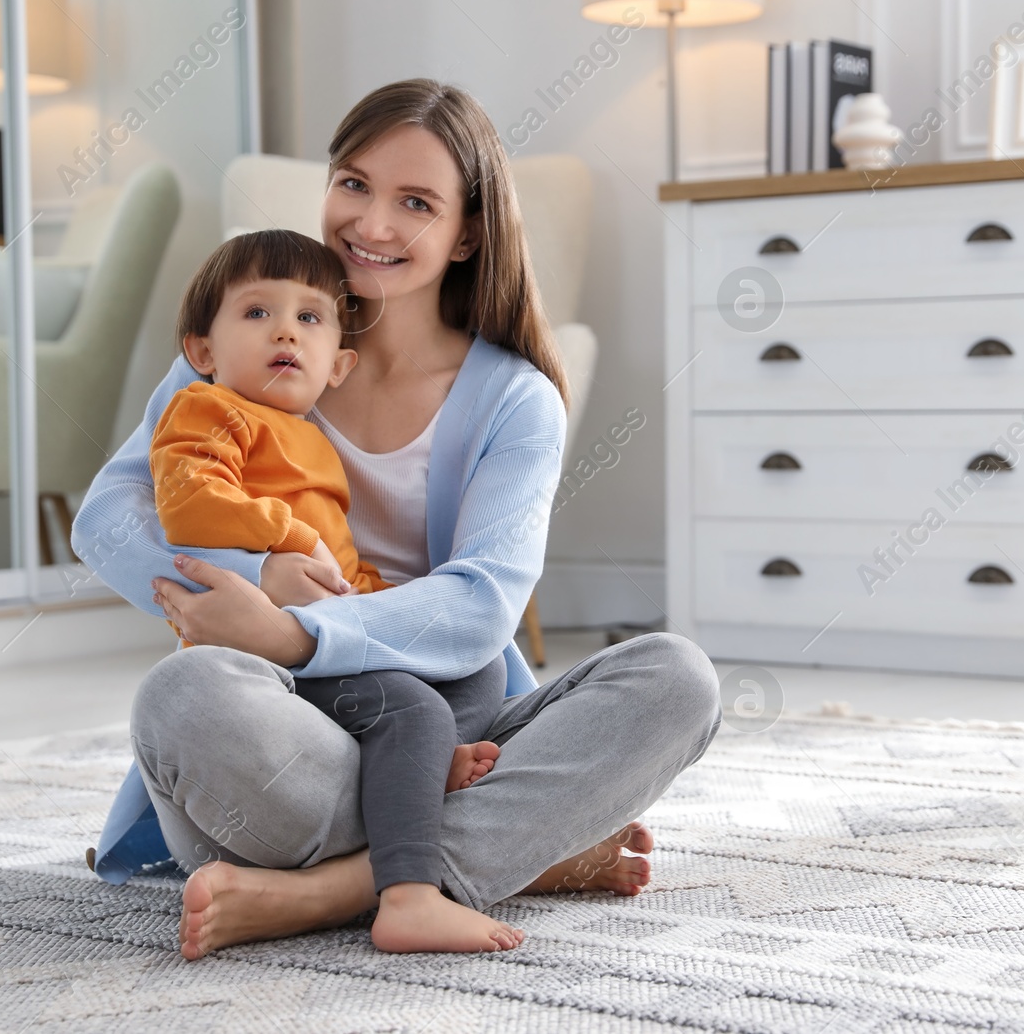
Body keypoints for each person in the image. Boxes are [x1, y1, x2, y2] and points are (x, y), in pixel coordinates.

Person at [71, 78, 722, 962]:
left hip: (454, 730)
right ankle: (497, 852)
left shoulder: (515, 398)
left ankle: (325, 891)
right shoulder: (265, 333)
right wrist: (255, 580)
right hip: (284, 739)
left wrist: (297, 630)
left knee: (677, 678)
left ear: (470, 233)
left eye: (415, 203)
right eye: (353, 184)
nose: (371, 225)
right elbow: (108, 517)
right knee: (181, 699)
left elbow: (481, 603)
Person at [149, 227, 515, 951]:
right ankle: (409, 892)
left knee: (480, 668)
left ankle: (410, 777)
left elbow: (344, 570)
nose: (285, 329)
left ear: (339, 364)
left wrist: (372, 598)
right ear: (202, 352)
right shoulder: (208, 409)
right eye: (257, 313)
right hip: (262, 660)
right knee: (409, 706)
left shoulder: (311, 437)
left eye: (309, 318)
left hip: (332, 642)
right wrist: (288, 535)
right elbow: (187, 500)